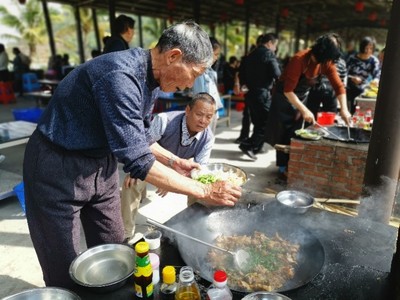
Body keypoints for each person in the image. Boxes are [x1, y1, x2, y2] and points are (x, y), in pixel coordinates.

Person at [22, 21, 241, 290]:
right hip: (56, 166)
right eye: (193, 74)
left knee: (115, 248)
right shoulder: (119, 75)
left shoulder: (150, 79)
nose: (190, 85)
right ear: (173, 56)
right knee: (63, 263)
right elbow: (137, 159)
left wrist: (175, 161)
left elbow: (142, 135)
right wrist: (204, 191)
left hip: (100, 165)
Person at [121, 92, 216, 242]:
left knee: (199, 187)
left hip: (182, 169)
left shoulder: (208, 138)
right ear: (188, 110)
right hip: (152, 163)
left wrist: (173, 180)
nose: (203, 121)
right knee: (131, 183)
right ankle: (126, 233)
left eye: (209, 117)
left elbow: (200, 169)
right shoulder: (165, 120)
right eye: (199, 114)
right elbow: (143, 147)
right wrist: (137, 168)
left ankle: (193, 226)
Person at [265, 33, 351, 180]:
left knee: (298, 132)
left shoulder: (326, 63)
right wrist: (304, 109)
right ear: (322, 53)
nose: (330, 62)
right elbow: (287, 91)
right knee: (283, 132)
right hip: (284, 98)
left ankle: (292, 165)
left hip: (301, 96)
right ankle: (282, 169)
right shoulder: (299, 60)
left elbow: (339, 87)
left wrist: (344, 109)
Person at [238, 33, 281, 160]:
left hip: (250, 93)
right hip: (262, 94)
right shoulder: (269, 54)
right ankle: (249, 145)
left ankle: (255, 146)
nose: (275, 49)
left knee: (258, 121)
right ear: (269, 43)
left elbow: (241, 74)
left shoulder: (250, 54)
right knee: (266, 122)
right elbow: (277, 73)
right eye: (275, 46)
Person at [192, 37, 223, 134]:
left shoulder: (209, 71)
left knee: (209, 138)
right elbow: (200, 94)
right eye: (216, 54)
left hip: (212, 110)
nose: (216, 58)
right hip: (205, 112)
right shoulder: (200, 72)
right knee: (203, 138)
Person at [346, 36, 381, 114]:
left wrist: (376, 80)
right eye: (366, 48)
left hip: (362, 89)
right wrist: (352, 78)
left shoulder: (373, 60)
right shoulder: (352, 58)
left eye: (371, 48)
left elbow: (377, 74)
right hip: (349, 87)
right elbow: (344, 72)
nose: (368, 50)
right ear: (362, 47)